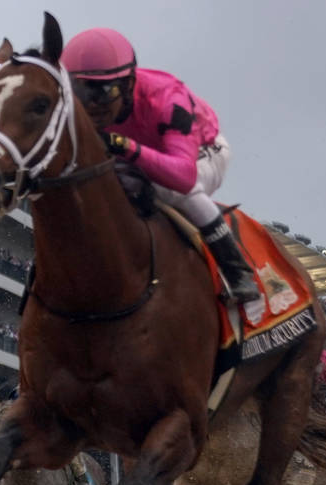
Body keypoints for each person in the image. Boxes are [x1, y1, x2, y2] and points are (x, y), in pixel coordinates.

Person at [61, 28, 261, 303]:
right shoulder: (74, 103)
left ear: (129, 84)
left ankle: (237, 271)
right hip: (139, 153)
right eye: (82, 91)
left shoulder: (168, 100)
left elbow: (184, 177)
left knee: (168, 189)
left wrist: (125, 146)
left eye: (105, 91)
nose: (93, 104)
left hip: (201, 152)